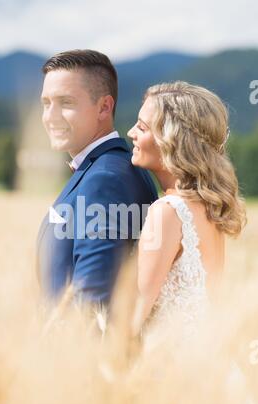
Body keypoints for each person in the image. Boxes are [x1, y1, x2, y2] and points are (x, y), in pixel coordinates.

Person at [36, 49, 157, 309]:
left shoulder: (105, 179)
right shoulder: (110, 167)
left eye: (66, 102)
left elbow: (93, 303)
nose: (50, 116)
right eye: (46, 103)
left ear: (104, 107)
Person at [127, 81, 247, 338]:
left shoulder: (169, 211)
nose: (130, 133)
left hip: (166, 367)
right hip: (200, 366)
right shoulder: (208, 206)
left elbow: (135, 318)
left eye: (141, 127)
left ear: (170, 140)